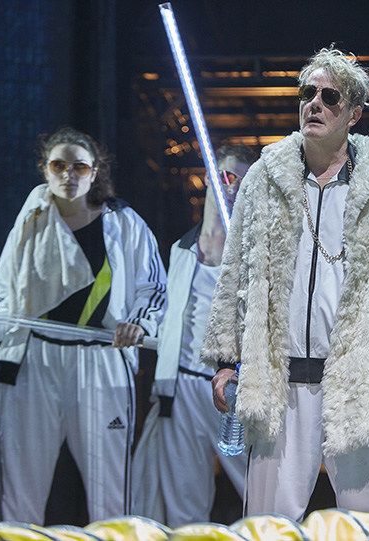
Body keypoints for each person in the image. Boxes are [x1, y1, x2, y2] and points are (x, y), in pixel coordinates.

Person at [200, 47, 369, 522]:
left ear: (354, 114)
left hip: (358, 381)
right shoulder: (264, 177)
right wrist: (226, 360)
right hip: (280, 381)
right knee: (267, 525)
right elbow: (235, 273)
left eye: (330, 97)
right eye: (308, 93)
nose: (315, 104)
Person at [0, 126, 167, 524]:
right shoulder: (30, 221)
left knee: (111, 494)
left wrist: (138, 324)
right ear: (45, 169)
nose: (69, 174)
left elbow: (154, 288)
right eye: (58, 165)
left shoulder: (124, 222)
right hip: (34, 363)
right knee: (21, 492)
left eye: (79, 167)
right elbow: (10, 301)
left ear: (94, 172)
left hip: (102, 360)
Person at [135, 144, 257, 528]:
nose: (232, 187)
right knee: (185, 509)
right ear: (208, 177)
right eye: (226, 175)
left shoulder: (257, 252)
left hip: (236, 389)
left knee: (261, 496)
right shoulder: (181, 248)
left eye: (243, 181)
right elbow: (170, 318)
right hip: (183, 389)